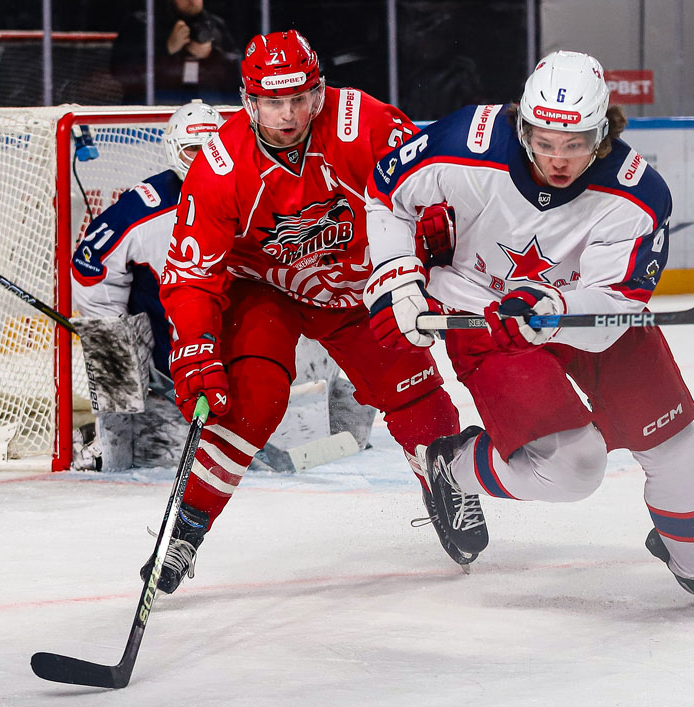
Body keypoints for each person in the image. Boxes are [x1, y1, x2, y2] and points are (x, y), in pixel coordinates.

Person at [363, 50, 694, 611]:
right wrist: (396, 277)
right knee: (574, 469)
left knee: (675, 443)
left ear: (603, 132)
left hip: (584, 315)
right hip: (485, 312)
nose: (558, 160)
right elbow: (386, 191)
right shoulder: (467, 141)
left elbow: (612, 309)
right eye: (543, 142)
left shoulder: (638, 194)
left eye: (576, 144)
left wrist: (555, 305)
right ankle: (452, 467)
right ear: (522, 126)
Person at [146, 29, 487, 593]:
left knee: (416, 397)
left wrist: (433, 239)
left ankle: (443, 478)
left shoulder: (364, 123)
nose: (287, 115)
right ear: (248, 101)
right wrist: (196, 349)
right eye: (272, 102)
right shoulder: (221, 165)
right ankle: (188, 526)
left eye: (299, 98)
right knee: (250, 402)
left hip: (359, 287)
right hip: (267, 291)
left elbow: (432, 186)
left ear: (319, 92)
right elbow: (191, 275)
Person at [70, 99, 376, 472]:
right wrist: (125, 357)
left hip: (255, 338)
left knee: (323, 319)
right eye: (192, 150)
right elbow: (89, 268)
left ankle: (322, 406)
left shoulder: (266, 186)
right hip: (179, 354)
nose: (202, 160)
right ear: (173, 150)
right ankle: (111, 442)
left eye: (209, 148)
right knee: (107, 340)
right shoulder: (143, 209)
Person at [110, 0, 240, 106]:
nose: (192, 1)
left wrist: (213, 55)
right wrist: (166, 49)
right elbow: (121, 72)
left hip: (207, 106)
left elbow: (238, 75)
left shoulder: (215, 26)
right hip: (157, 105)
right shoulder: (144, 24)